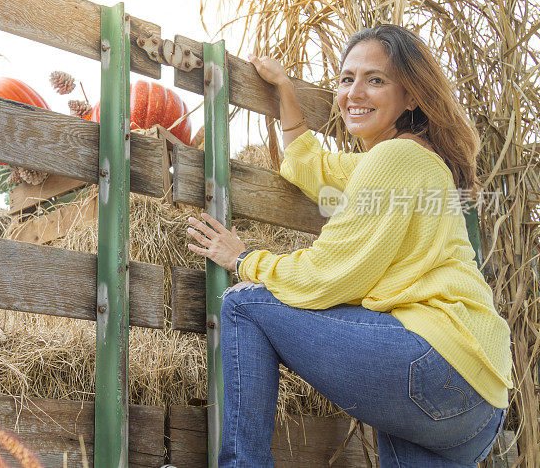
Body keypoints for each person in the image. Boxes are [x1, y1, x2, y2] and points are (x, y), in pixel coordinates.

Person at [185, 24, 513, 467]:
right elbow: (311, 165)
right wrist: (285, 89)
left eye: (375, 80)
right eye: (346, 79)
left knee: (246, 304)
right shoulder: (414, 160)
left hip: (434, 363)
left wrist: (244, 260)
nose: (354, 93)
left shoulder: (394, 158)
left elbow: (331, 274)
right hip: (478, 402)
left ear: (411, 96)